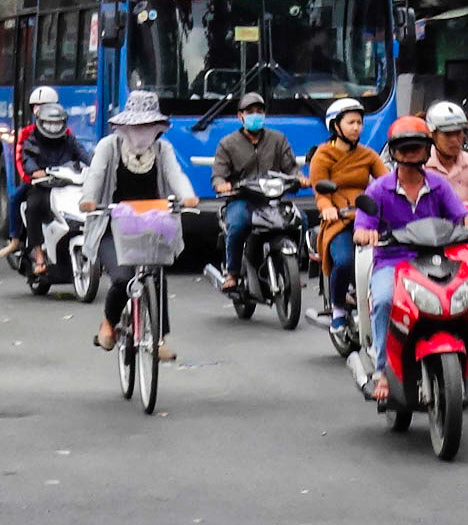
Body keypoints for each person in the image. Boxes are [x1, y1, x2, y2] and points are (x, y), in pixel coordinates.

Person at [352, 115, 468, 403]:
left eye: (416, 148)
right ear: (394, 152)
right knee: (383, 301)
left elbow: (460, 218)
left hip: (434, 260)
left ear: (426, 150)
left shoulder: (439, 186)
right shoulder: (379, 189)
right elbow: (361, 227)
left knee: (467, 297)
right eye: (403, 149)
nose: (410, 154)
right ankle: (382, 369)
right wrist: (366, 234)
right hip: (392, 262)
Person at [81, 91, 199, 359]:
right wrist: (88, 200)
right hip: (112, 226)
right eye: (136, 126)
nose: (141, 133)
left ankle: (159, 339)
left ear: (157, 127)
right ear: (125, 126)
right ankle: (109, 322)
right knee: (123, 277)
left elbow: (175, 175)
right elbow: (96, 176)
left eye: (147, 126)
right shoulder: (108, 147)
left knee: (156, 275)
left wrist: (187, 196)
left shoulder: (163, 150)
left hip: (151, 226)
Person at [306, 96, 387, 333]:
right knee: (344, 261)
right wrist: (327, 208)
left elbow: (386, 182)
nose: (356, 128)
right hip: (338, 221)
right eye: (351, 122)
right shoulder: (323, 155)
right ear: (335, 125)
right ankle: (338, 309)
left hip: (367, 218)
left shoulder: (368, 155)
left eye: (359, 123)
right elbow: (320, 191)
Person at [213, 90, 298, 290]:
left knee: (298, 219)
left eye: (259, 111)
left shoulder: (278, 139)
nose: (255, 115)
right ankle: (232, 273)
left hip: (272, 199)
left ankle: (291, 268)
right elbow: (218, 174)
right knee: (237, 225)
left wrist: (299, 178)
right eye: (250, 111)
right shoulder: (227, 144)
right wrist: (221, 184)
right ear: (240, 116)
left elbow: (291, 168)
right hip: (242, 199)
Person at [15, 103, 92, 274]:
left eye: (57, 123)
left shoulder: (69, 140)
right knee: (33, 206)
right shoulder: (32, 140)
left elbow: (84, 156)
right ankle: (38, 255)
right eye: (49, 123)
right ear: (40, 123)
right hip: (44, 186)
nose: (53, 127)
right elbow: (27, 159)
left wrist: (94, 167)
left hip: (68, 185)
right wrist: (35, 171)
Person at [0, 86, 61, 260]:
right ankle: (15, 239)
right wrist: (32, 176)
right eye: (37, 107)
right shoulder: (27, 133)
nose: (40, 110)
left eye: (46, 106)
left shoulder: (66, 133)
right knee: (16, 199)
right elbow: (21, 159)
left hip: (60, 182)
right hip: (36, 183)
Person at [423, 100, 468, 203]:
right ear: (432, 135)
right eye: (447, 134)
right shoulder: (421, 166)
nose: (454, 140)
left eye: (458, 133)